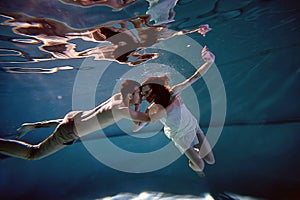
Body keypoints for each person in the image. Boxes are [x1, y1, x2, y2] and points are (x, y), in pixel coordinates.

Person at [0, 80, 151, 160]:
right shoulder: (122, 110)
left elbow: (132, 106)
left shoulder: (117, 98)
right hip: (70, 131)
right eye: (141, 95)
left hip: (72, 118)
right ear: (131, 95)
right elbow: (146, 119)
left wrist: (137, 102)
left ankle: (33, 126)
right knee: (33, 153)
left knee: (63, 126)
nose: (143, 98)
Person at [136, 46, 216, 174]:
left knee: (211, 160)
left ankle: (195, 155)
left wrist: (209, 62)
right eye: (143, 94)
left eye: (146, 92)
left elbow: (194, 77)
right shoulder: (153, 108)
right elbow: (140, 124)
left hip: (193, 126)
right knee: (200, 166)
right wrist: (135, 107)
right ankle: (193, 163)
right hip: (180, 136)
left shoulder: (173, 92)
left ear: (156, 89)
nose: (145, 96)